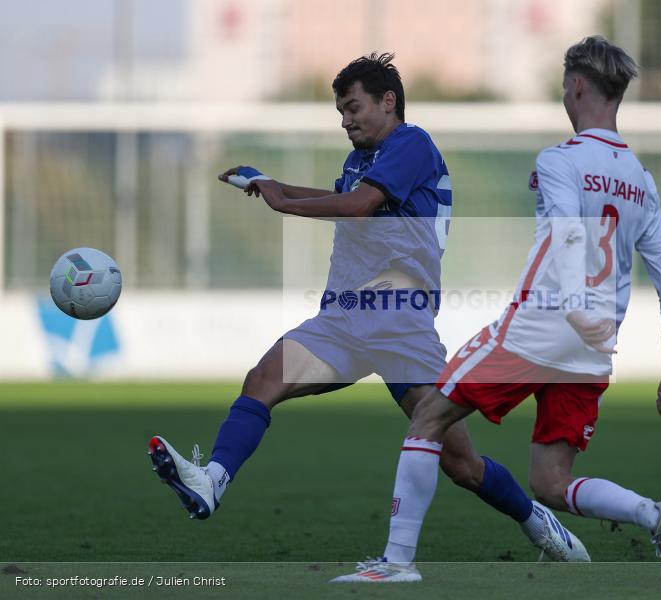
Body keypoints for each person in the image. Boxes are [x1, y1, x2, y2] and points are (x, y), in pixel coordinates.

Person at [147, 52, 588, 564]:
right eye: (340, 111)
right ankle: (212, 481)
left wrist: (283, 202)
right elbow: (342, 199)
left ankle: (537, 521)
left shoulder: (412, 145)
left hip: (401, 322)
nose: (345, 120)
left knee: (462, 465)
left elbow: (358, 206)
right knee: (263, 379)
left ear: (387, 101)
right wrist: (272, 184)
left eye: (353, 108)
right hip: (344, 319)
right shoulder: (361, 161)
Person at [333, 37, 661, 585]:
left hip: (543, 323)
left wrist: (573, 309)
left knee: (429, 417)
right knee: (552, 483)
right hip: (596, 342)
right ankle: (655, 514)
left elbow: (567, 236)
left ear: (576, 87)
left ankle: (397, 563)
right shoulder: (642, 182)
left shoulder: (560, 160)